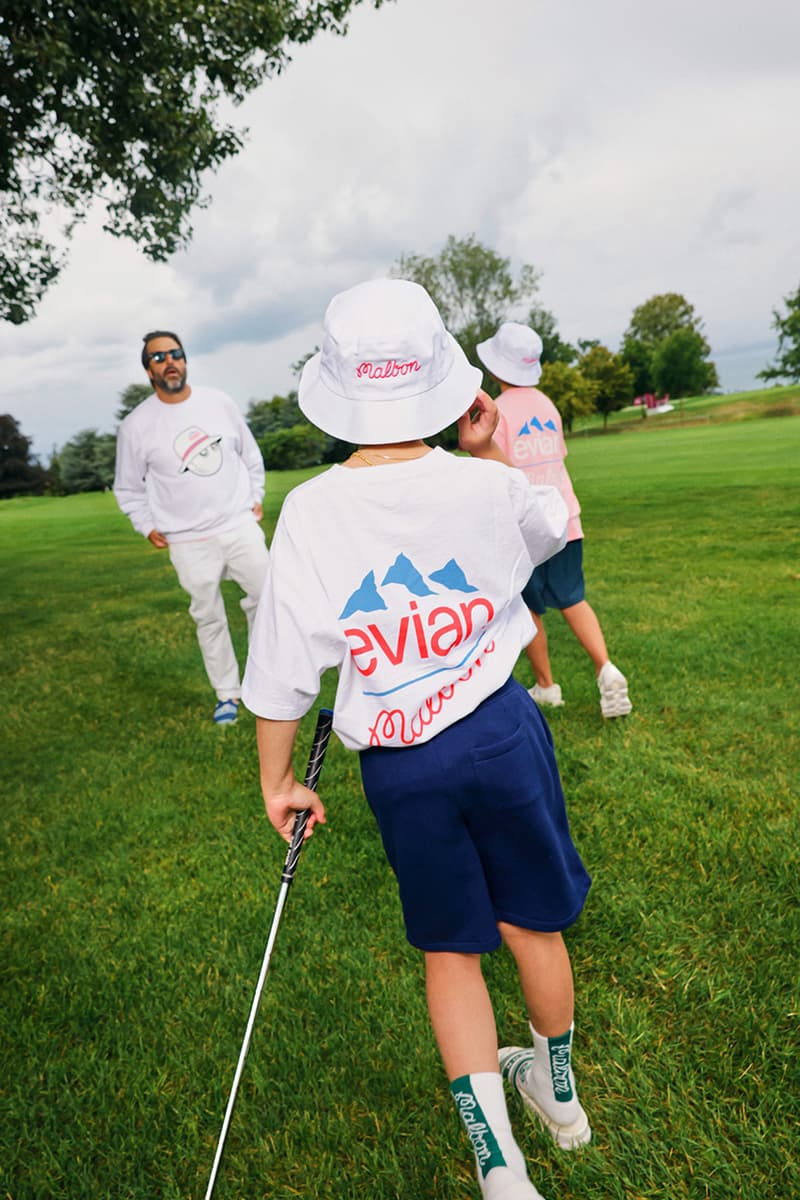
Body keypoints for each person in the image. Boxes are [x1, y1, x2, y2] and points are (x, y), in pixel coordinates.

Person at [242, 280, 592, 1200]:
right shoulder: (485, 481)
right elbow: (554, 525)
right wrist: (485, 446)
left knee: (452, 949)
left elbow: (282, 671)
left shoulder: (312, 512)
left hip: (404, 766)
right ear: (442, 378)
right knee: (533, 926)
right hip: (502, 731)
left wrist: (278, 779)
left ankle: (500, 1165)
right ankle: (560, 1101)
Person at [476, 322, 632, 719]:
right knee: (573, 597)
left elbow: (501, 471)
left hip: (527, 527)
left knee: (528, 605)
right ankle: (606, 668)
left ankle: (547, 686)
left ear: (497, 368)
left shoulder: (498, 411)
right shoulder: (547, 404)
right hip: (566, 518)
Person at [114, 329, 269, 725]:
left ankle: (265, 681)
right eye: (158, 357)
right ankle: (227, 696)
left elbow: (249, 454)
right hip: (186, 540)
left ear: (184, 359)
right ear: (148, 370)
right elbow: (128, 488)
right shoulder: (136, 425)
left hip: (238, 524)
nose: (169, 362)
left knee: (267, 600)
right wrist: (145, 525)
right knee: (208, 616)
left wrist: (256, 496)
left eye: (175, 353)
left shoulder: (219, 402)